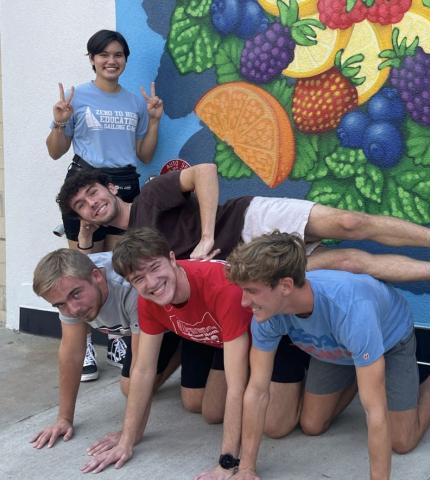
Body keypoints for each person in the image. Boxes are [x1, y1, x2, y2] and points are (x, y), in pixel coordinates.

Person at [56, 163, 430, 316]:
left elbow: (207, 173)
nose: (91, 203)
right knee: (350, 262)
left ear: (110, 188)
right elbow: (79, 269)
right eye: (81, 205)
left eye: (93, 192)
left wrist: (208, 235)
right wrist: (86, 234)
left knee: (352, 224)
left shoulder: (153, 193)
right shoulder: (117, 247)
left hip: (251, 220)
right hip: (249, 268)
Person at [225, 231, 430, 480]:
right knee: (312, 425)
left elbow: (375, 410)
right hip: (333, 348)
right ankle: (358, 372)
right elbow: (257, 390)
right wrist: (246, 470)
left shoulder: (351, 309)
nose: (243, 302)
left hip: (387, 340)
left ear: (285, 286)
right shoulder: (266, 312)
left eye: (251, 290)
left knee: (402, 440)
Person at [80, 228, 307, 478]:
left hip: (271, 339)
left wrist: (227, 463)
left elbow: (236, 386)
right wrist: (127, 439)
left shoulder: (221, 287)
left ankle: (312, 370)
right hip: (221, 341)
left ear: (172, 258)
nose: (151, 283)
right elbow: (144, 370)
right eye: (139, 279)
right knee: (208, 411)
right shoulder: (148, 301)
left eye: (155, 267)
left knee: (276, 425)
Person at [46, 29, 163, 375]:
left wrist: (153, 121)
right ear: (92, 59)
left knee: (120, 268)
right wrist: (59, 122)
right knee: (80, 268)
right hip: (84, 185)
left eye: (118, 55)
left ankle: (117, 335)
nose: (111, 61)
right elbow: (55, 152)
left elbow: (143, 154)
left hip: (124, 185)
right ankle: (82, 347)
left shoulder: (133, 102)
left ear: (125, 60)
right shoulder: (75, 97)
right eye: (104, 55)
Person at [30, 249, 179, 449]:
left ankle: (185, 341)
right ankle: (180, 351)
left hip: (181, 320)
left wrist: (129, 435)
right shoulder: (67, 289)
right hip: (151, 330)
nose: (73, 310)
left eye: (76, 294)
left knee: (199, 404)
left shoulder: (129, 287)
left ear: (96, 276)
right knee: (129, 388)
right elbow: (72, 353)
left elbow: (142, 367)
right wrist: (64, 419)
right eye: (60, 305)